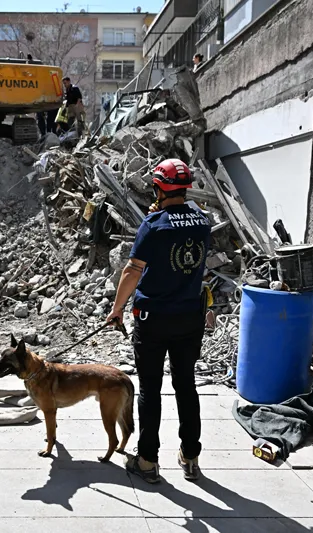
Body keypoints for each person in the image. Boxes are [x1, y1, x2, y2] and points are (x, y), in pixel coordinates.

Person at [105, 158, 210, 484]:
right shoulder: (202, 221)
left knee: (150, 389)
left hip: (153, 320)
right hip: (189, 318)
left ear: (158, 187)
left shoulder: (154, 224)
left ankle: (148, 461)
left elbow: (133, 270)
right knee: (186, 386)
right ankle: (190, 456)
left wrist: (117, 308)